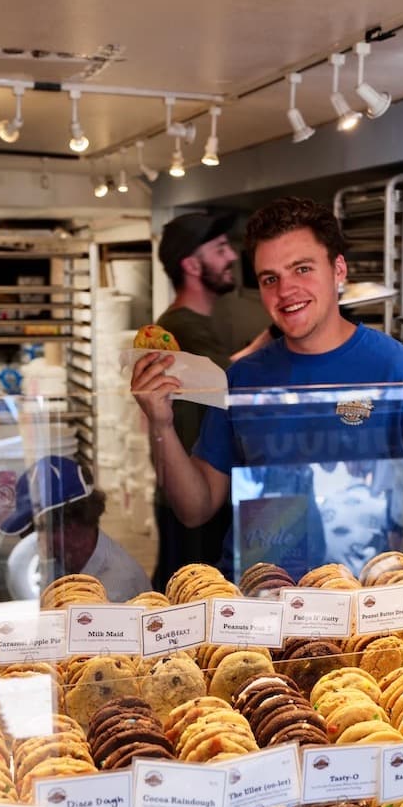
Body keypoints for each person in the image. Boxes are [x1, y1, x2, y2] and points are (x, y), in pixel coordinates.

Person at [131, 197, 403, 578]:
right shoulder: (243, 380)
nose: (286, 290)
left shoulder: (401, 373)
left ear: (339, 270)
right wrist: (161, 425)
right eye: (270, 278)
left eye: (302, 269)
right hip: (264, 600)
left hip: (361, 605)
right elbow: (195, 507)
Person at [149, 213, 242, 589]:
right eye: (219, 249)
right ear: (191, 264)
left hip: (196, 490)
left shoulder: (192, 325)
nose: (232, 255)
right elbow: (228, 382)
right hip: (193, 494)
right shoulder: (182, 327)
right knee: (191, 600)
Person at [0, 455, 151, 601]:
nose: (36, 543)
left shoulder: (116, 588)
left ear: (70, 526)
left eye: (36, 531)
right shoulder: (69, 561)